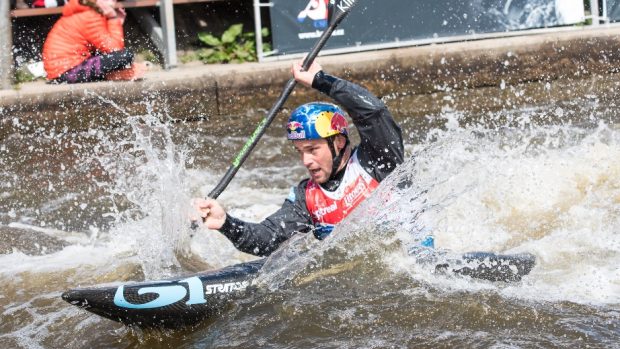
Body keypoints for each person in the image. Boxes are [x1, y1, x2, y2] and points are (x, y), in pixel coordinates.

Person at [193, 60, 404, 256]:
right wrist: (225, 223)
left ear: (338, 142)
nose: (306, 161)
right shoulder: (307, 198)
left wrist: (322, 81)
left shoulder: (377, 160)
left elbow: (374, 113)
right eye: (300, 151)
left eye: (312, 149)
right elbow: (268, 238)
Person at [42, 0, 146, 84]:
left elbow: (106, 48)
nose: (113, 3)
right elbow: (115, 49)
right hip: (66, 72)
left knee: (113, 56)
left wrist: (114, 21)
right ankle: (116, 74)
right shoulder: (91, 16)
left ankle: (117, 74)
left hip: (63, 71)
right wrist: (113, 19)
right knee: (126, 55)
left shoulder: (86, 12)